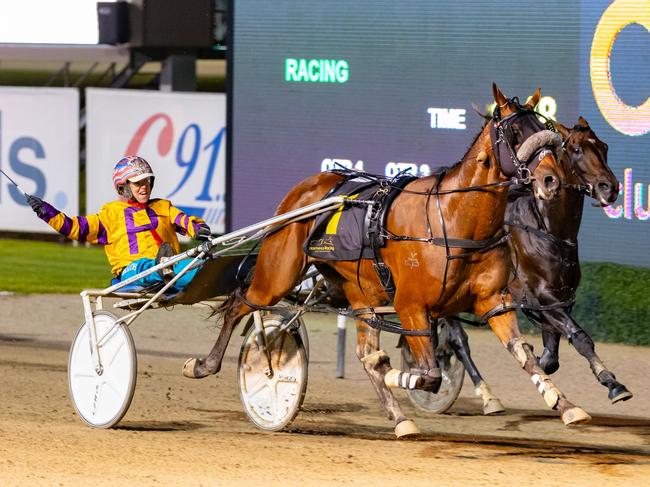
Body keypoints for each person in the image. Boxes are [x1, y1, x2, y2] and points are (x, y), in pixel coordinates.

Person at [25, 155, 211, 291]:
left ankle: (214, 273)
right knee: (146, 266)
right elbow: (75, 228)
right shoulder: (110, 214)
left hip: (171, 267)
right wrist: (46, 212)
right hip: (132, 274)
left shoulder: (163, 206)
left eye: (147, 181)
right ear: (123, 187)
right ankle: (163, 268)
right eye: (138, 183)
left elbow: (185, 221)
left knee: (198, 266)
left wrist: (199, 229)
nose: (144, 186)